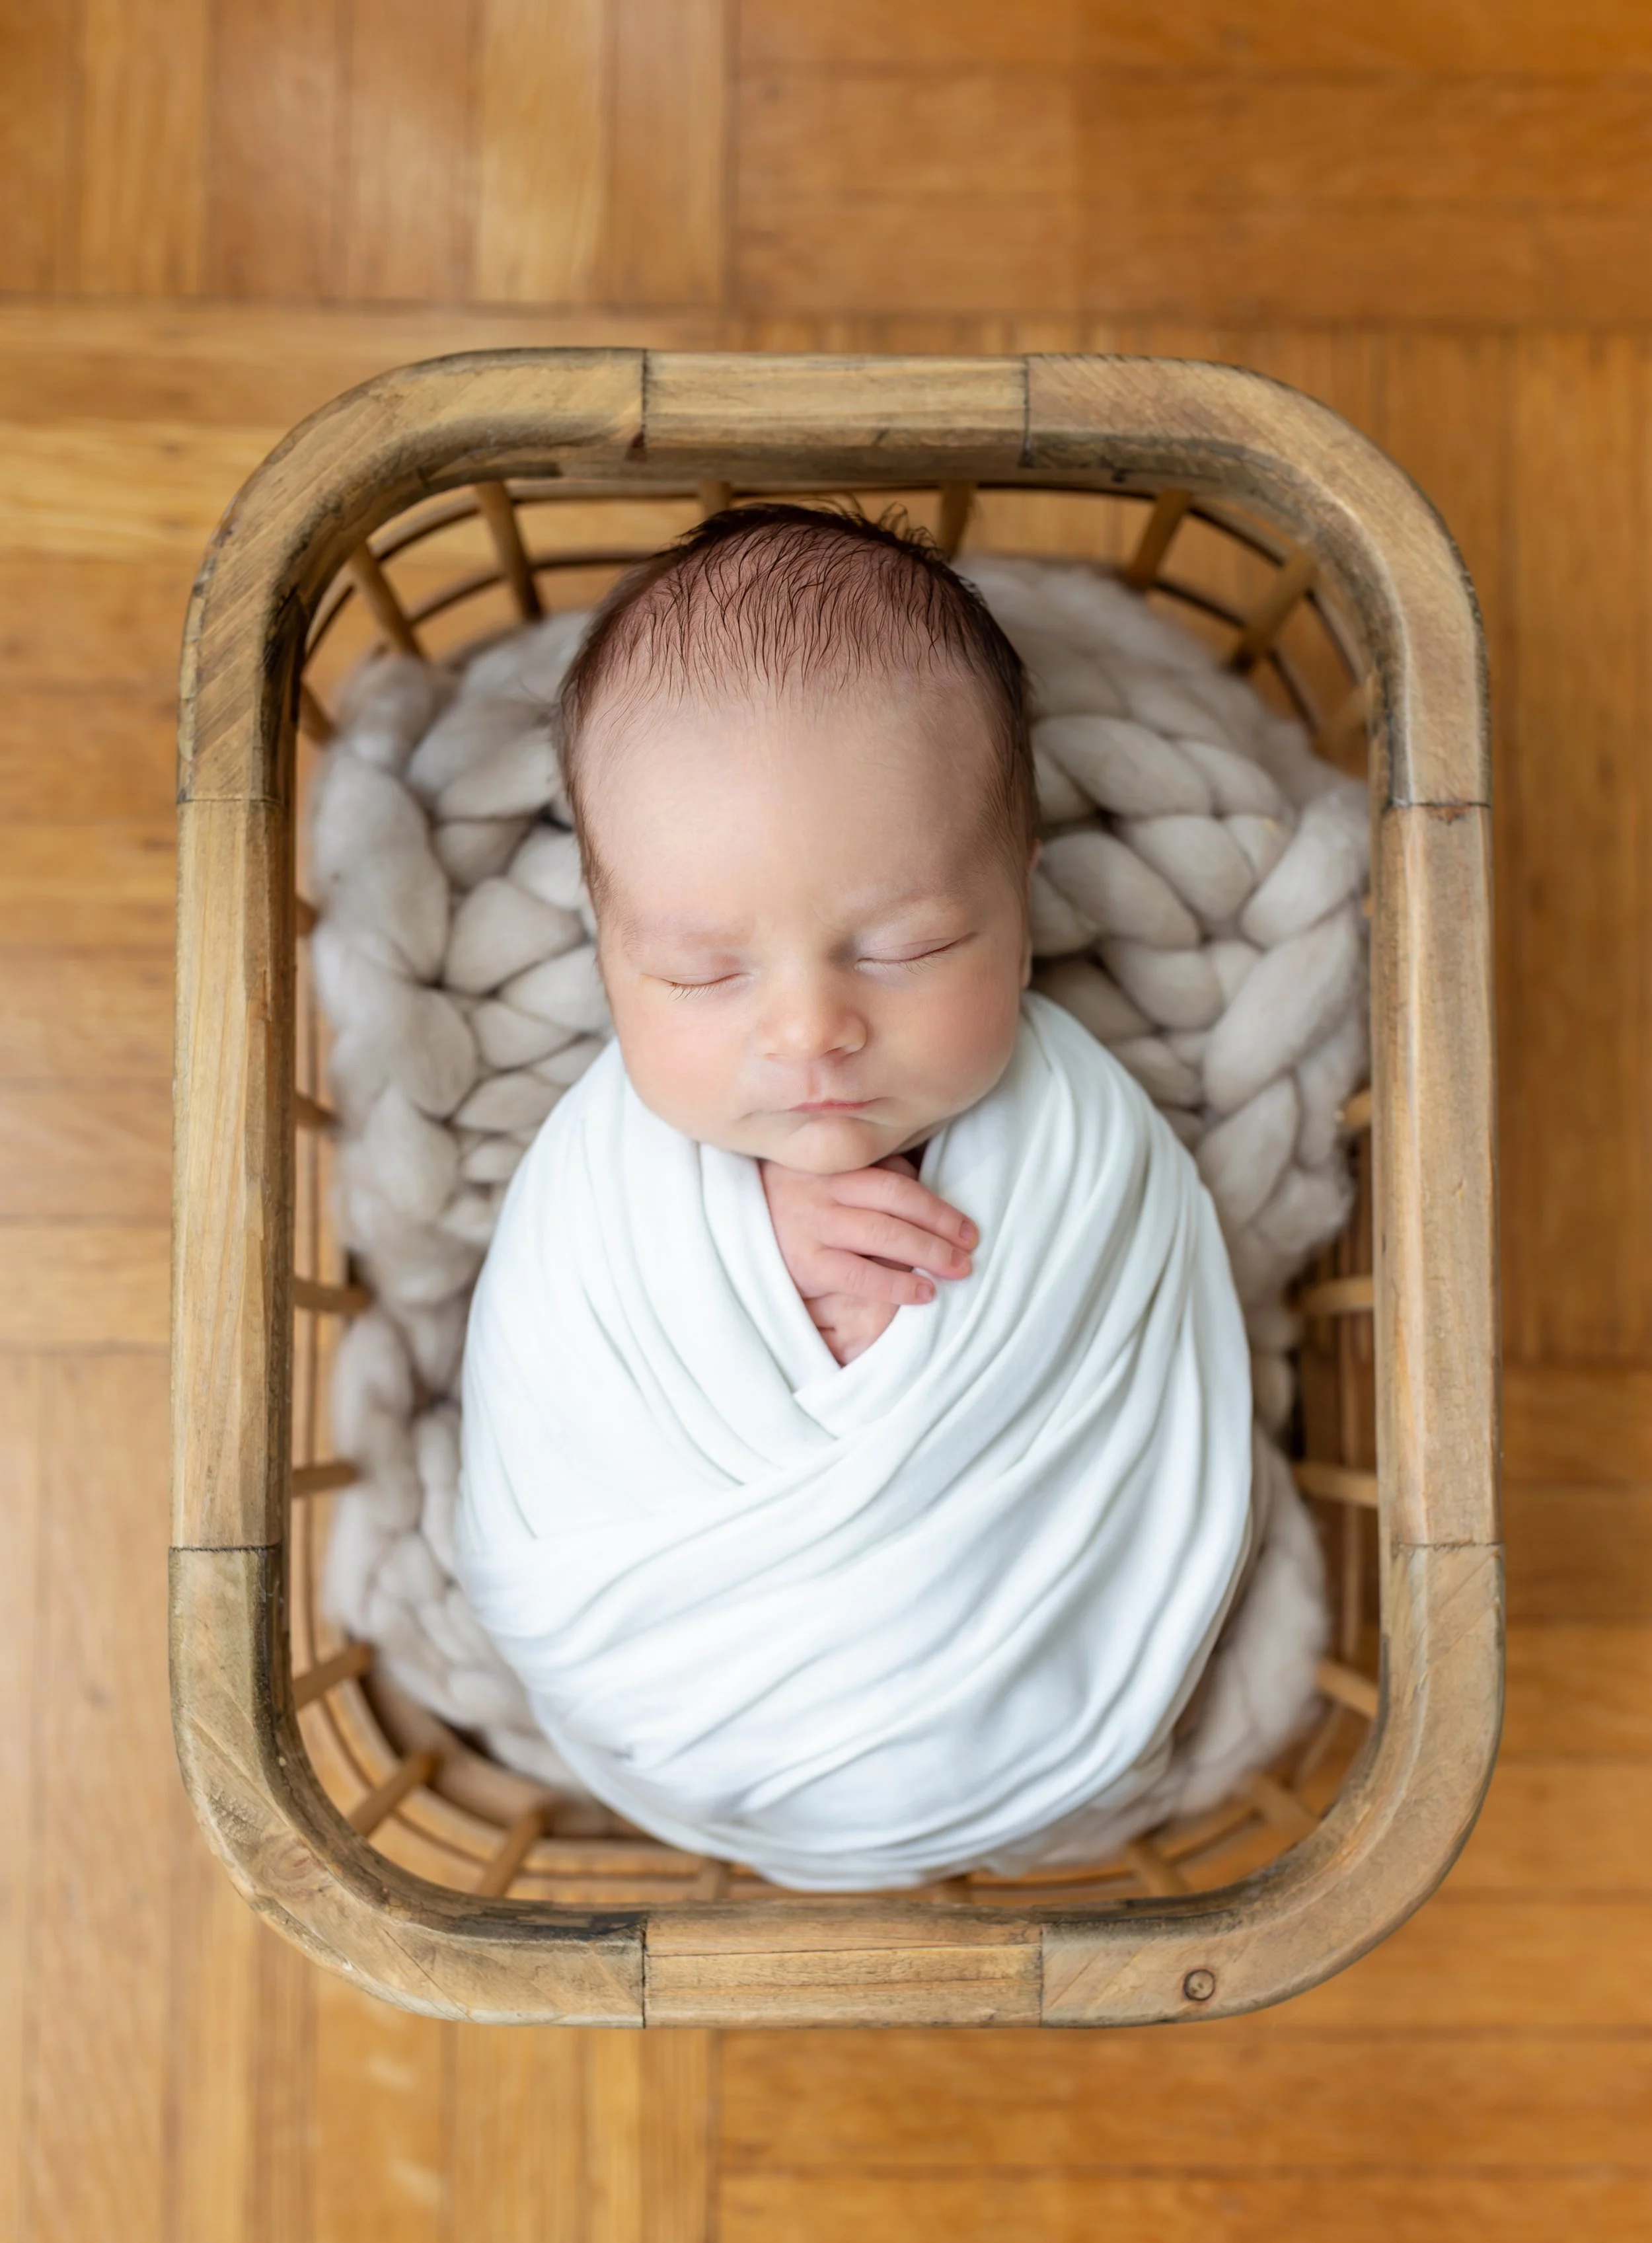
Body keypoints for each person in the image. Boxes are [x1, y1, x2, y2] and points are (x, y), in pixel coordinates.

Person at [455, 505, 1306, 1891]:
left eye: (908, 944)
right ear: (602, 945)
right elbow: (557, 1349)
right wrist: (740, 1265)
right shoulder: (606, 1167)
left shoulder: (1076, 1134)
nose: (807, 1030)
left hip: (1031, 1680)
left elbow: (1116, 1321)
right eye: (694, 971)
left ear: (1020, 908)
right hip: (668, 1679)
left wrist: (909, 1332)